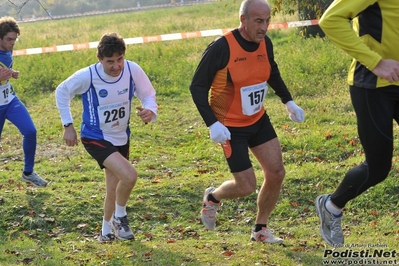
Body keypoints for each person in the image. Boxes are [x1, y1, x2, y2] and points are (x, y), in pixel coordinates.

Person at [190, 0, 305, 243]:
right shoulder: (222, 47)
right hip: (229, 126)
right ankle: (213, 198)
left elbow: (271, 71)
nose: (264, 27)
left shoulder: (265, 42)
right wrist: (212, 123)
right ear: (243, 20)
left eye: (267, 21)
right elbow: (197, 86)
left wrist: (289, 101)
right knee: (245, 186)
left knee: (276, 172)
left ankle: (260, 229)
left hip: (257, 119)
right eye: (258, 21)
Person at [55, 32, 158, 243]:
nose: (116, 66)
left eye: (119, 59)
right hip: (95, 137)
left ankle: (105, 232)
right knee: (129, 175)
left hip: (121, 136)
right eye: (110, 61)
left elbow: (148, 94)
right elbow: (61, 91)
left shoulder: (132, 70)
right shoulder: (88, 76)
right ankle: (120, 218)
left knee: (114, 186)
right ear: (99, 59)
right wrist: (68, 125)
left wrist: (149, 110)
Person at [315, 0, 399, 247]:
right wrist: (376, 62)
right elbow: (330, 20)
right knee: (378, 168)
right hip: (374, 86)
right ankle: (332, 206)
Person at [0, 16, 47, 187]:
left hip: (9, 100)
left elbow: (3, 67)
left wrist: (11, 73)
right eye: (9, 39)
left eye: (15, 39)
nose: (12, 43)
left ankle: (28, 173)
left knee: (30, 131)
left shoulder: (8, 50)